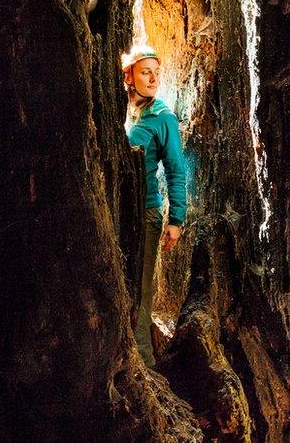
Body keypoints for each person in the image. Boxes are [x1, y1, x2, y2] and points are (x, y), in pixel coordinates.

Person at [121, 44, 188, 368]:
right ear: (129, 75)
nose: (153, 78)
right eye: (146, 71)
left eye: (157, 73)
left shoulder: (163, 117)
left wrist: (176, 219)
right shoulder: (132, 113)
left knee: (142, 292)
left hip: (146, 214)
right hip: (122, 214)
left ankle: (145, 366)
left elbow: (176, 169)